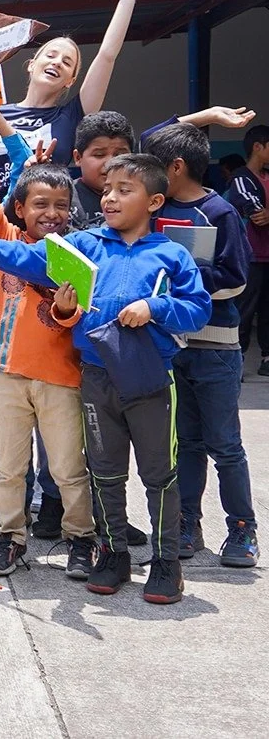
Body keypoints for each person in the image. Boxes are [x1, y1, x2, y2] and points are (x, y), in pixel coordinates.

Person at [0, 153, 210, 604]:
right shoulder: (82, 245)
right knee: (104, 472)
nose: (111, 197)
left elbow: (199, 309)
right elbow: (21, 256)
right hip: (97, 378)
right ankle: (113, 554)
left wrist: (155, 308)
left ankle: (166, 562)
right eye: (107, 189)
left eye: (125, 190)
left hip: (150, 379)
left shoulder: (171, 254)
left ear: (155, 200)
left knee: (159, 473)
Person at [0, 101, 95, 581]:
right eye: (40, 205)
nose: (52, 214)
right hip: (6, 375)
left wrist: (63, 308)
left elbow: (74, 315)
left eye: (62, 207)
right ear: (20, 209)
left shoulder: (77, 251)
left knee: (66, 468)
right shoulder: (6, 242)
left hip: (60, 379)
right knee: (9, 467)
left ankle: (81, 538)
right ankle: (10, 537)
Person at [0, 0, 177, 188]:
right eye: (51, 55)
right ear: (31, 65)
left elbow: (107, 55)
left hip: (47, 222)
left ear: (70, 80)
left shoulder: (72, 116)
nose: (57, 62)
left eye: (67, 62)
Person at [143, 123, 258, 567]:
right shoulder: (155, 210)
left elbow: (235, 280)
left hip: (216, 348)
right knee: (186, 443)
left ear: (174, 167)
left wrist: (181, 282)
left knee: (225, 443)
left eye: (154, 164)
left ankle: (242, 529)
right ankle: (187, 524)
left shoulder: (220, 212)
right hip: (172, 347)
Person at [229, 125, 269, 374]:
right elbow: (257, 214)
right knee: (246, 308)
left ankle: (267, 358)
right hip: (253, 255)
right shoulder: (241, 178)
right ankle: (239, 357)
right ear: (258, 147)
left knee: (267, 310)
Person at [70, 112, 134, 227]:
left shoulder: (141, 198)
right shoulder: (63, 197)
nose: (111, 163)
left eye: (120, 155)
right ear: (78, 158)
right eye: (99, 155)